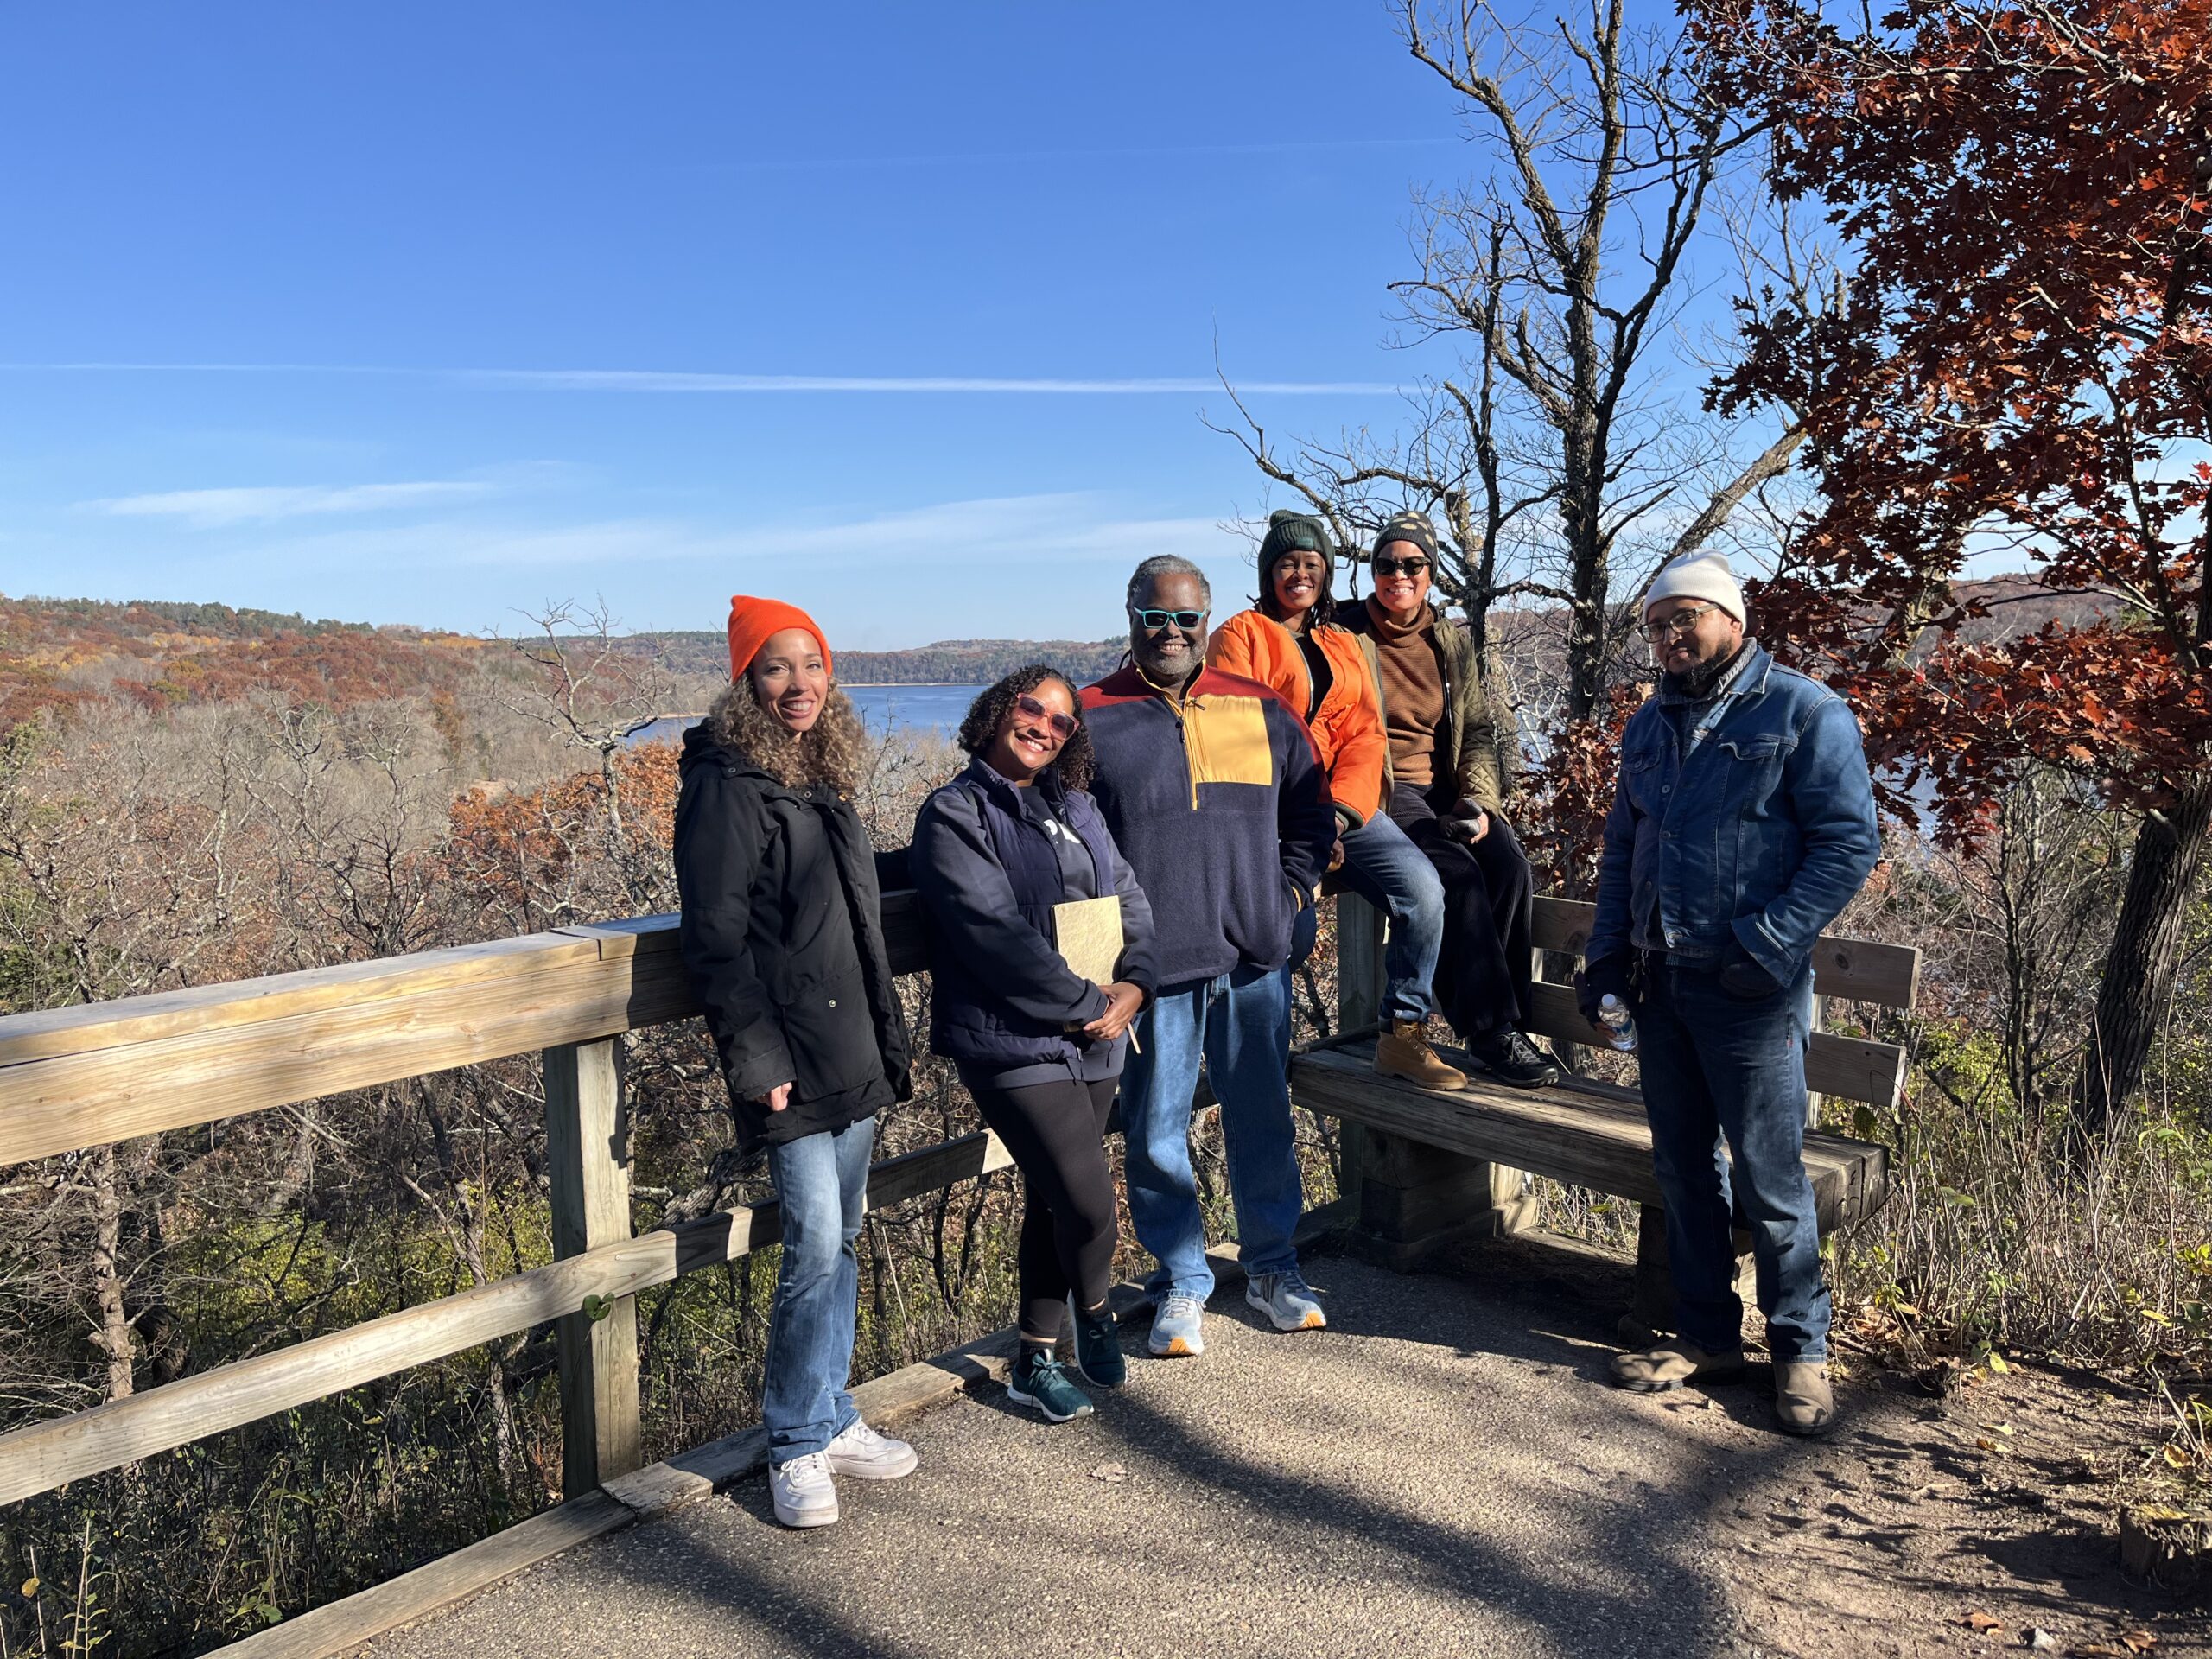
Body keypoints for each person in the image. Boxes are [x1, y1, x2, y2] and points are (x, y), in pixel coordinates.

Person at [1579, 550, 1880, 1436]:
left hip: (1749, 990)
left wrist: (1766, 944)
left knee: (1770, 1177)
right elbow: (1624, 851)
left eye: (1686, 618)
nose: (1670, 637)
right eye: (1656, 625)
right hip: (1659, 980)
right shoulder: (1649, 725)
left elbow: (1847, 844)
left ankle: (1801, 1351)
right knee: (1683, 1168)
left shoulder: (1802, 711)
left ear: (1732, 620)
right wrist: (1606, 958)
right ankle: (1709, 1336)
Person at [673, 595, 919, 1529]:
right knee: (813, 1245)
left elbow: (852, 898)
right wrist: (756, 1056)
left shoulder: (818, 773)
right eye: (775, 667)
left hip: (848, 1044)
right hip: (786, 1057)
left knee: (842, 1234)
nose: (798, 683)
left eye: (811, 664)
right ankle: (793, 1442)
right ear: (747, 680)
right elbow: (715, 939)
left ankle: (830, 1411)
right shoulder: (726, 786)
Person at [1081, 555, 1338, 1357]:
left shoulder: (1260, 707)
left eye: (1186, 618)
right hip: (1151, 970)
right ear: (1131, 616)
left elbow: (1311, 811)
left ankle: (1272, 1268)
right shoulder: (1089, 717)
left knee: (1263, 1120)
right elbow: (1060, 839)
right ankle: (1181, 1280)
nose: (1171, 632)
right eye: (1155, 617)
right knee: (1156, 1133)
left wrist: (1289, 895)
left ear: (1207, 619)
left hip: (1253, 959)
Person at [911, 666, 1159, 1423]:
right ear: (998, 710)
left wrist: (1137, 984)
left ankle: (1034, 1358)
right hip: (1011, 1040)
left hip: (1099, 1033)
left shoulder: (1077, 805)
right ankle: (1096, 1310)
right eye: (1032, 709)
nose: (1044, 727)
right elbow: (991, 934)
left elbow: (1129, 897)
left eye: (1061, 721)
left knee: (1055, 1198)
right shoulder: (956, 813)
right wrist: (1088, 1003)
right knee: (1088, 1203)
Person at [1208, 510, 1465, 1091]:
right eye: (1287, 563)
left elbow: (1366, 736)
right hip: (1271, 817)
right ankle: (1259, 1070)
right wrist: (1300, 828)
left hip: (1342, 810)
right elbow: (1236, 740)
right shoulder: (1240, 637)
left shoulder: (1341, 642)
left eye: (1312, 564)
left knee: (1423, 892)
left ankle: (1403, 1034)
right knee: (1288, 936)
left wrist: (1340, 818)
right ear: (1268, 571)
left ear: (1326, 573)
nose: (1300, 574)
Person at [1340, 511, 1559, 1088]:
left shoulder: (1449, 641)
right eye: (1386, 564)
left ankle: (1506, 1022)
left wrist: (1480, 801)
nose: (1399, 575)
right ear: (1373, 571)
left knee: (1509, 866)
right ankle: (1490, 1030)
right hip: (1385, 788)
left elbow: (1477, 730)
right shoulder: (1344, 634)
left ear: (1431, 572)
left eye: (1412, 564)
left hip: (1444, 789)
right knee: (1456, 876)